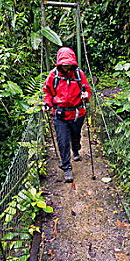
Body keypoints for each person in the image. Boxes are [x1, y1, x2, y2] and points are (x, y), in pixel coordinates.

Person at [43, 47, 92, 183]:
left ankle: (76, 149)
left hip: (77, 113)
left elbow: (87, 90)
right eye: (64, 64)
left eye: (68, 64)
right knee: (62, 141)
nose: (66, 66)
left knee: (76, 136)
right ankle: (67, 167)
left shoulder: (78, 74)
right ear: (60, 63)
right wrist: (47, 103)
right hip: (60, 114)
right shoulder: (54, 75)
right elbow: (47, 91)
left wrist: (86, 95)